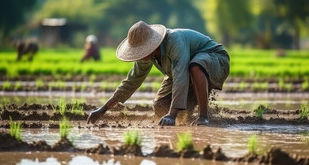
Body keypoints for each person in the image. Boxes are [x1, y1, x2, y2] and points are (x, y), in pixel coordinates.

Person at [87, 21, 230, 126]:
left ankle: (203, 116)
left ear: (151, 45)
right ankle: (188, 114)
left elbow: (181, 77)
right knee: (160, 106)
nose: (139, 55)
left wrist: (172, 115)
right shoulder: (147, 56)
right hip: (182, 72)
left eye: (141, 50)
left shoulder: (174, 41)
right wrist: (103, 109)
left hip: (214, 61)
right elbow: (132, 81)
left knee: (195, 65)